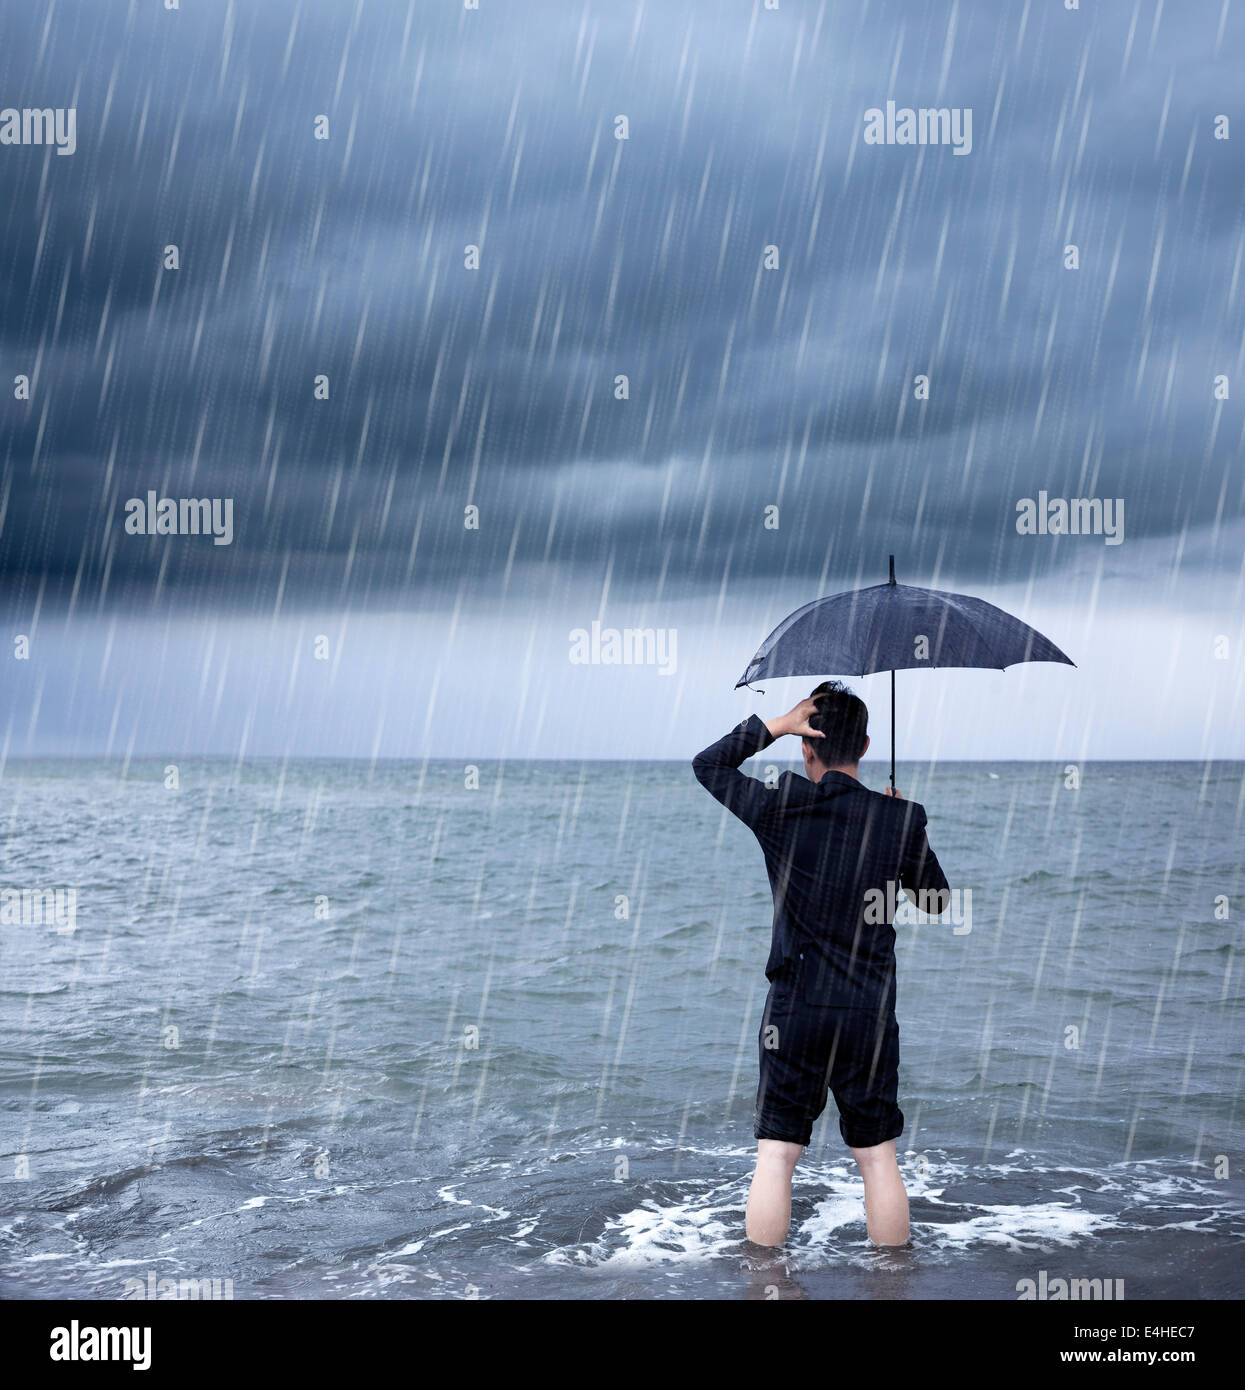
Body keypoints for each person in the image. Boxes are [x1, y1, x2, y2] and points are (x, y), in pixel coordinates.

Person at [691, 681, 949, 1248]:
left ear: (809, 747)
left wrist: (776, 725)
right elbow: (935, 901)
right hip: (868, 1012)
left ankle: (767, 1287)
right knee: (878, 1159)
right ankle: (891, 1289)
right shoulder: (899, 819)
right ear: (866, 745)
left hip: (796, 1007)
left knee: (778, 1156)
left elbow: (708, 765)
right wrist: (907, 828)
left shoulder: (780, 806)